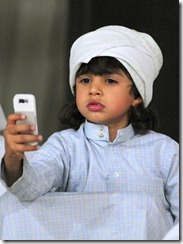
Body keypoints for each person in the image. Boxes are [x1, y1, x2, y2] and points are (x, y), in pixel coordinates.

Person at [0, 26, 179, 231]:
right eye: (85, 81)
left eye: (110, 81)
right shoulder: (65, 145)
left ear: (137, 95)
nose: (94, 90)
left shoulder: (165, 151)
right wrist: (13, 159)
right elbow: (29, 190)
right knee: (11, 206)